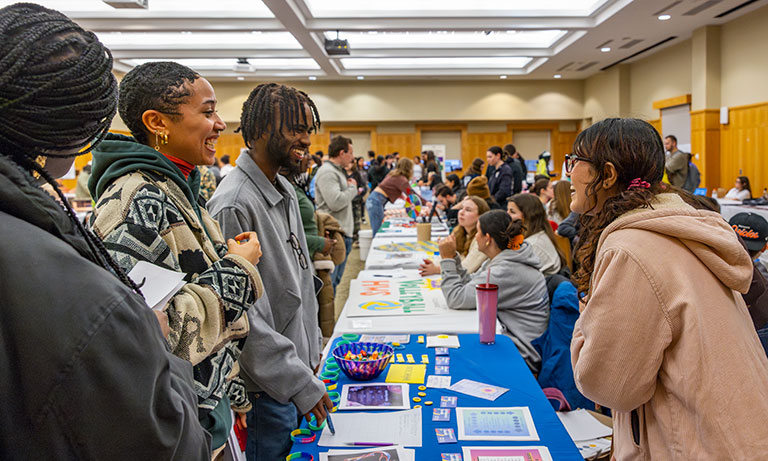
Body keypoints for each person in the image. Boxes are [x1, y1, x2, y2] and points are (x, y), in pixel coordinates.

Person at [0, 4, 210, 458]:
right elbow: (164, 440)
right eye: (208, 111)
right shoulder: (77, 280)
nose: (219, 125)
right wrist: (151, 338)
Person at [88, 61, 264, 455]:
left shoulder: (177, 187)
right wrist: (239, 267)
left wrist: (231, 391)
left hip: (204, 406)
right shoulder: (138, 200)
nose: (220, 124)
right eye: (207, 112)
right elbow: (149, 335)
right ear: (157, 122)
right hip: (177, 420)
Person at [568, 118, 768, 459]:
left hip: (694, 445)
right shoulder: (679, 229)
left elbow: (608, 385)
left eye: (575, 162)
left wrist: (586, 324)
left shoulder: (632, 247)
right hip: (734, 437)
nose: (568, 174)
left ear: (608, 174)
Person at [207, 83, 332, 460]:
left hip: (298, 373)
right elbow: (243, 320)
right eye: (296, 128)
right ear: (259, 130)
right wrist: (298, 381)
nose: (306, 139)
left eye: (308, 129)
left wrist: (311, 355)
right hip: (270, 389)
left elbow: (295, 285)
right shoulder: (233, 204)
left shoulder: (286, 190)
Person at [440, 210, 549, 371]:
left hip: (520, 353)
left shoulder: (505, 270)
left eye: (478, 232)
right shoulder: (505, 259)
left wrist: (447, 260)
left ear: (488, 238)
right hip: (516, 338)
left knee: (453, 358)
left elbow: (456, 298)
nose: (476, 237)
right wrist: (454, 259)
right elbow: (472, 284)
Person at [314, 135, 357, 290]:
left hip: (341, 232)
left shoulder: (336, 171)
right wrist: (353, 188)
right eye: (350, 153)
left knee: (335, 282)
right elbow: (336, 201)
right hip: (334, 234)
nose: (352, 158)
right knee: (330, 284)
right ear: (341, 153)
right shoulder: (328, 173)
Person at [420, 196, 490, 276]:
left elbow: (467, 268)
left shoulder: (482, 239)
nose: (461, 212)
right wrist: (431, 264)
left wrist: (437, 269)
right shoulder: (458, 232)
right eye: (461, 208)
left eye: (468, 210)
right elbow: (444, 255)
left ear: (480, 216)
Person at [507, 193, 565, 276]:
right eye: (507, 210)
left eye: (512, 212)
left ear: (527, 216)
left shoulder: (533, 245)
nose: (507, 214)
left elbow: (516, 278)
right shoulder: (533, 238)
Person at [366, 157, 417, 236]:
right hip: (376, 201)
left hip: (374, 199)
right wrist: (426, 203)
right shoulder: (401, 179)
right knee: (378, 231)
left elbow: (389, 187)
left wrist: (398, 194)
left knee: (378, 229)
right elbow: (412, 194)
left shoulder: (394, 174)